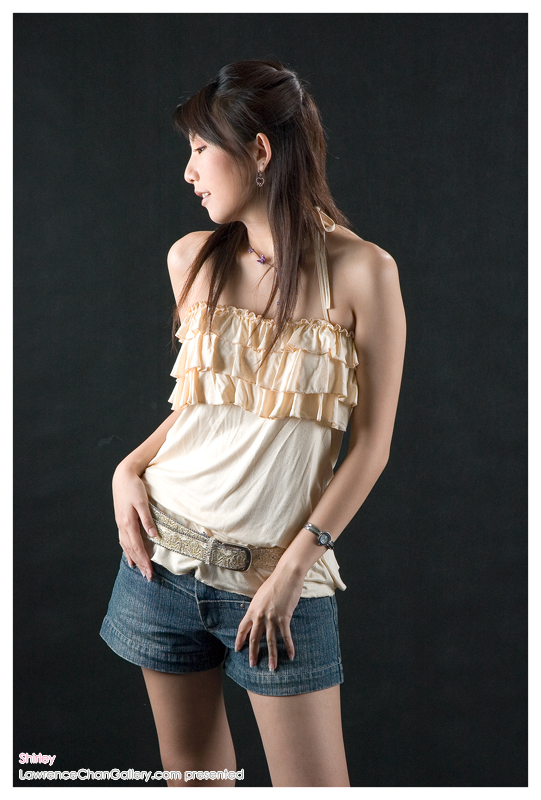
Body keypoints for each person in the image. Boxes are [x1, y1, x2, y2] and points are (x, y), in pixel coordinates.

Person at [100, 58, 406, 788]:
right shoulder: (192, 260)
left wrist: (294, 569)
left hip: (277, 580)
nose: (188, 173)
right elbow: (202, 411)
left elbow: (371, 447)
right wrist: (126, 468)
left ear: (259, 150)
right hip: (159, 564)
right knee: (195, 783)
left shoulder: (364, 273)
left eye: (200, 149)